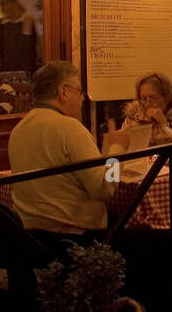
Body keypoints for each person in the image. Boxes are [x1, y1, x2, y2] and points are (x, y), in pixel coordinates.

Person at [7, 61, 115, 241]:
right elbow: (105, 188)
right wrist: (117, 153)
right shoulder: (69, 128)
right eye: (79, 91)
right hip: (75, 239)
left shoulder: (18, 129)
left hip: (30, 240)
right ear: (63, 92)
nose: (82, 98)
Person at [121, 72, 172, 143]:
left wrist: (163, 125)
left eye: (153, 97)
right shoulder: (133, 116)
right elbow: (123, 145)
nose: (147, 103)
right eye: (143, 98)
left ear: (166, 97)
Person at [0, 0, 40, 75]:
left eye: (5, 4)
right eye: (0, 5)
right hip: (3, 75)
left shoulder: (30, 23)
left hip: (27, 75)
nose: (2, 9)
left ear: (15, 3)